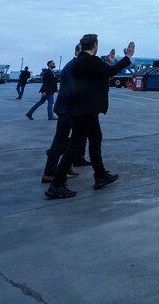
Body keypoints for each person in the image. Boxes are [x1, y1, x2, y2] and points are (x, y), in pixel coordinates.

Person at [46, 35, 134, 199]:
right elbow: (110, 72)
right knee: (75, 145)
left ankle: (100, 175)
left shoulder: (82, 61)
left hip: (86, 109)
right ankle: (57, 184)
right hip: (85, 109)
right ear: (95, 44)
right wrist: (128, 56)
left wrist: (108, 63)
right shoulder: (88, 59)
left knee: (95, 139)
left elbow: (100, 75)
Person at [42, 45, 82, 183]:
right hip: (67, 109)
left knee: (75, 138)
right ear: (78, 51)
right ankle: (49, 173)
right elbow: (74, 89)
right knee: (60, 140)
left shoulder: (75, 65)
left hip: (70, 108)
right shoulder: (73, 66)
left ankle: (67, 164)